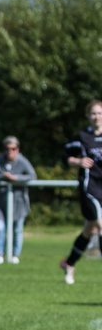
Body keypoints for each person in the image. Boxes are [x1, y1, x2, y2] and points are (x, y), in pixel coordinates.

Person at [59, 100, 102, 285]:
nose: (97, 117)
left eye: (100, 113)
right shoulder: (82, 136)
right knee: (100, 224)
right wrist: (78, 161)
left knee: (90, 228)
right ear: (88, 116)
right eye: (93, 113)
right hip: (89, 186)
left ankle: (69, 263)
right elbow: (65, 157)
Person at [0, 136, 36, 265]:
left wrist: (16, 178)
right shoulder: (0, 161)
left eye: (13, 149)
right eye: (7, 149)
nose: (10, 151)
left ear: (17, 149)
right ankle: (0, 254)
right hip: (3, 202)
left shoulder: (22, 161)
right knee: (0, 228)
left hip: (19, 203)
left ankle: (15, 255)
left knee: (17, 229)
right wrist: (2, 177)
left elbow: (32, 175)